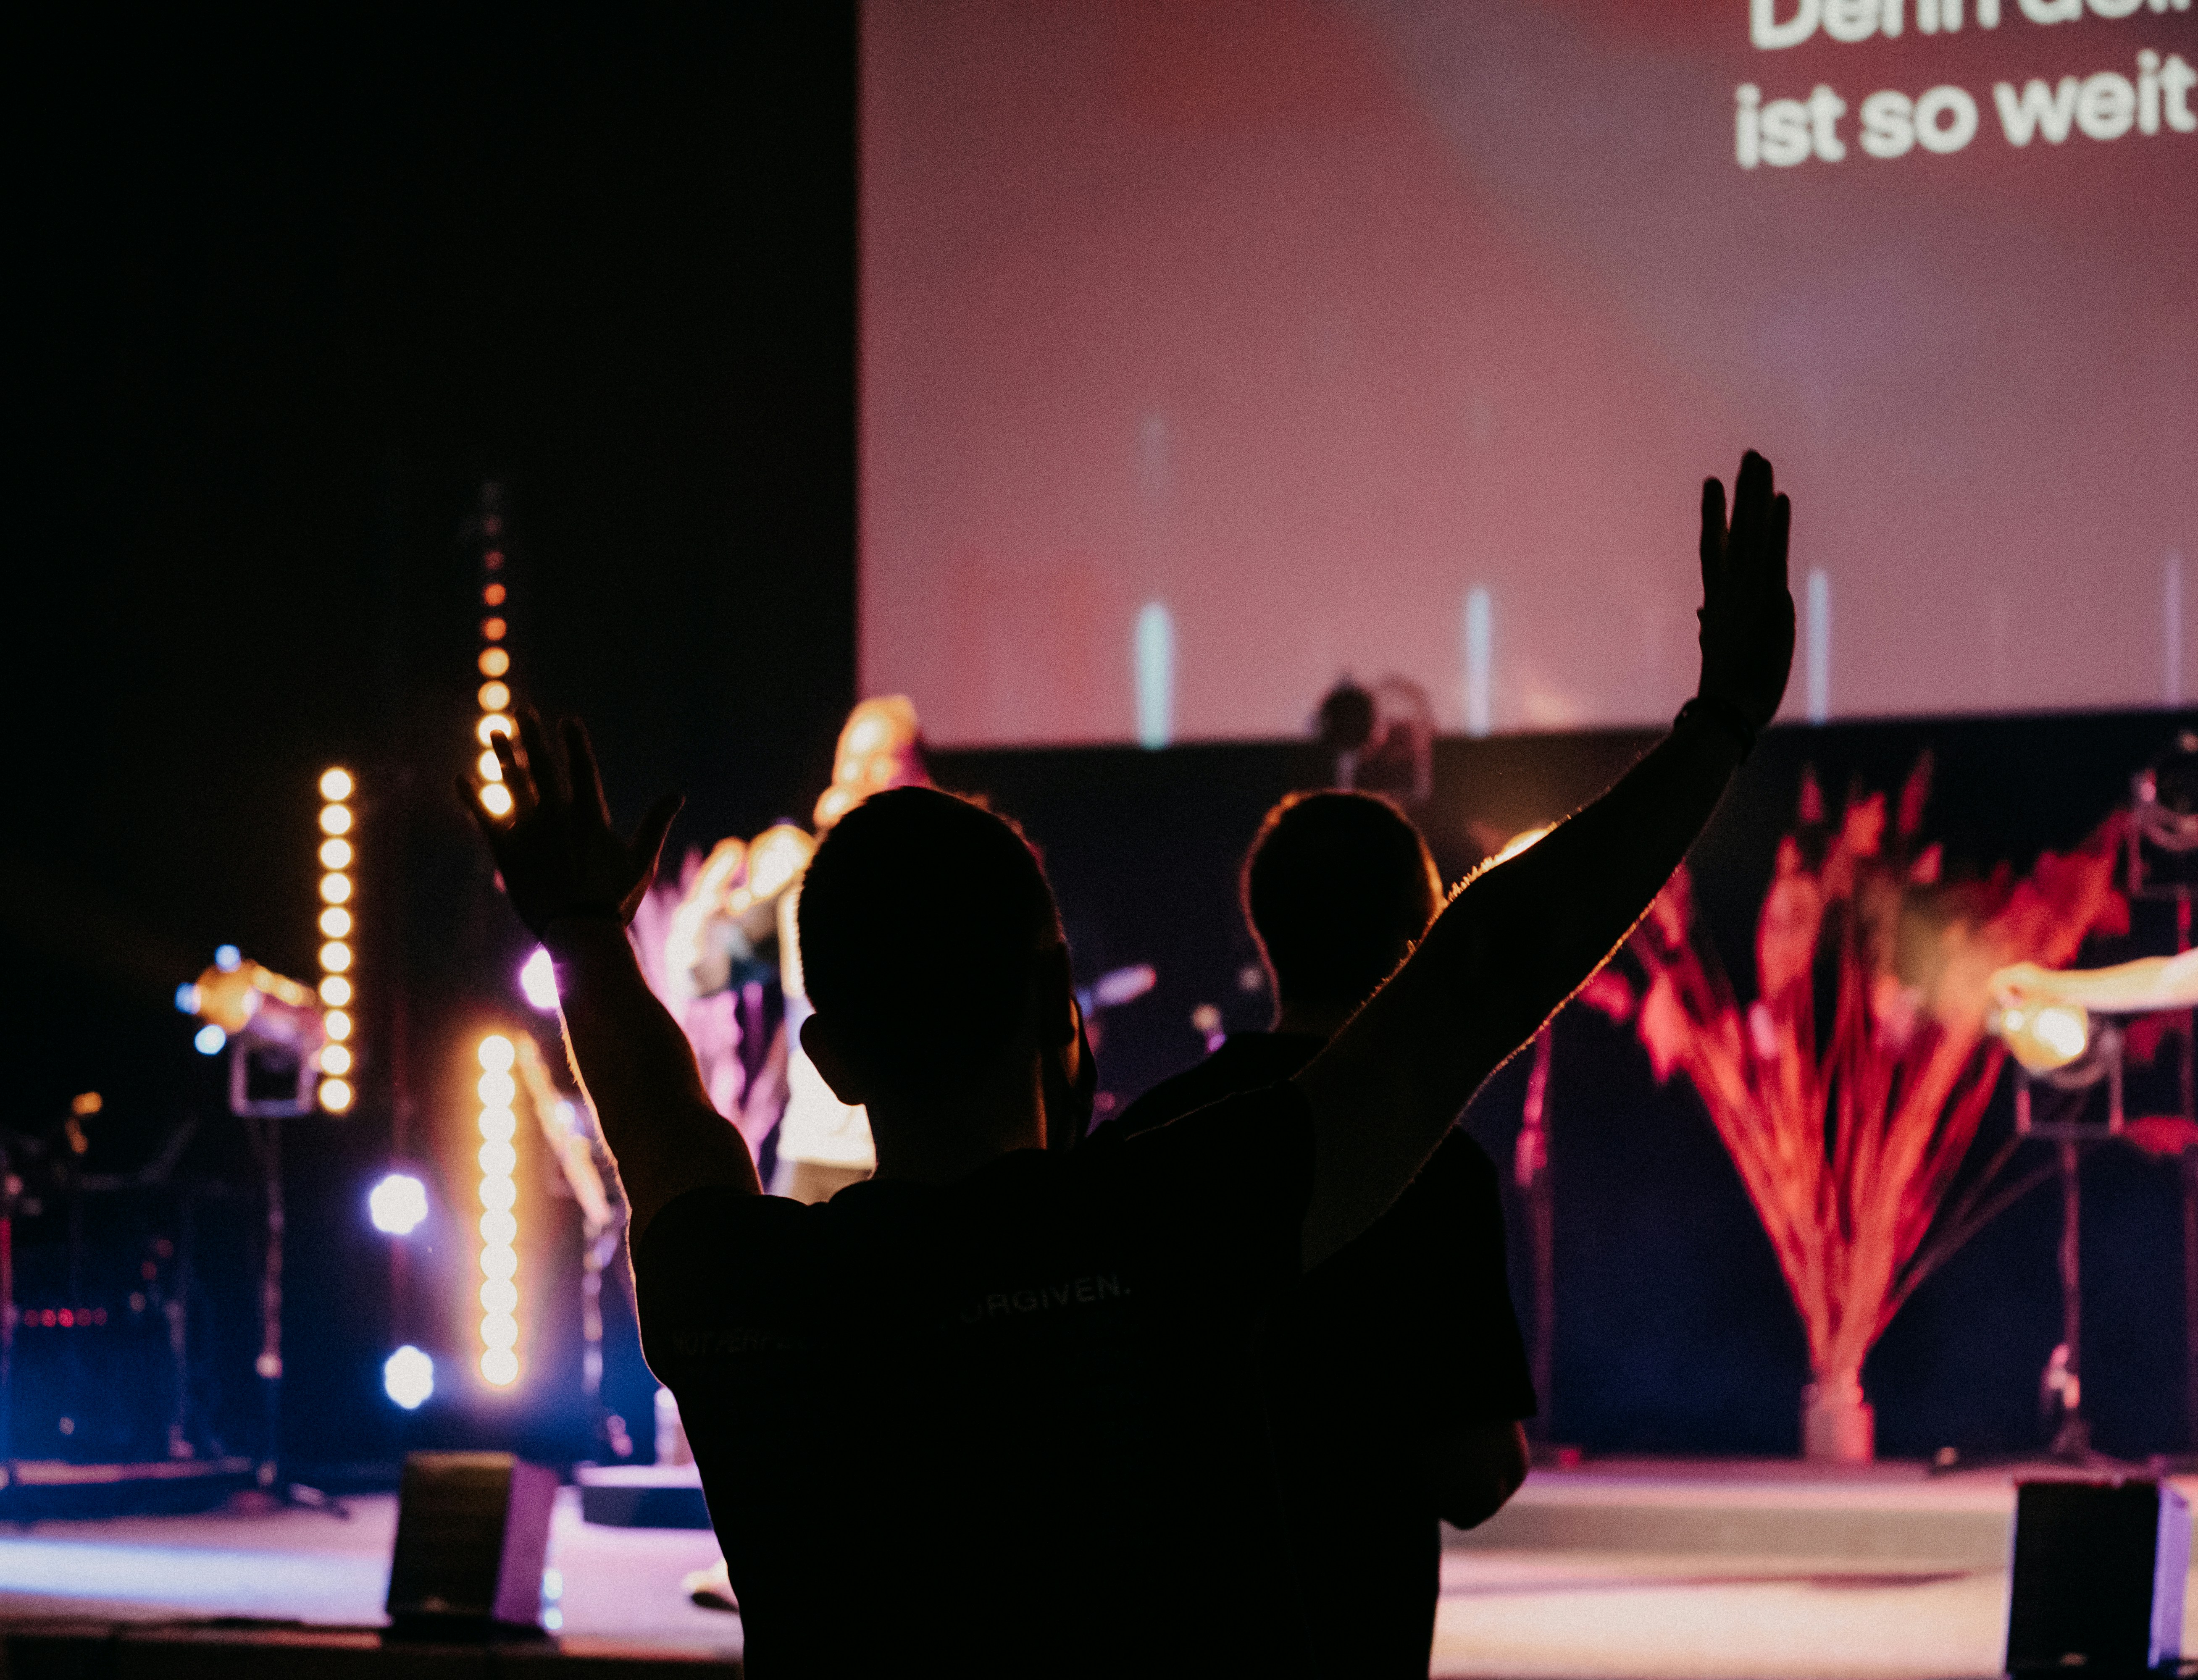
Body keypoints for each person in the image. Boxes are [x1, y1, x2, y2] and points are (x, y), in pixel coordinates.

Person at [467, 452, 1793, 1676]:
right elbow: (1479, 973)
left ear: (836, 1057)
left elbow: (660, 1126)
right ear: (1065, 1011)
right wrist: (1719, 728)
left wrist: (584, 933)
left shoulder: (735, 1290)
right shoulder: (1161, 1233)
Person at [1094, 788, 1533, 1677]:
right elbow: (1476, 1477)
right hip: (1357, 1629)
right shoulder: (1437, 1165)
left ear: (1265, 930)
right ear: (1419, 938)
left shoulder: (1143, 1141)